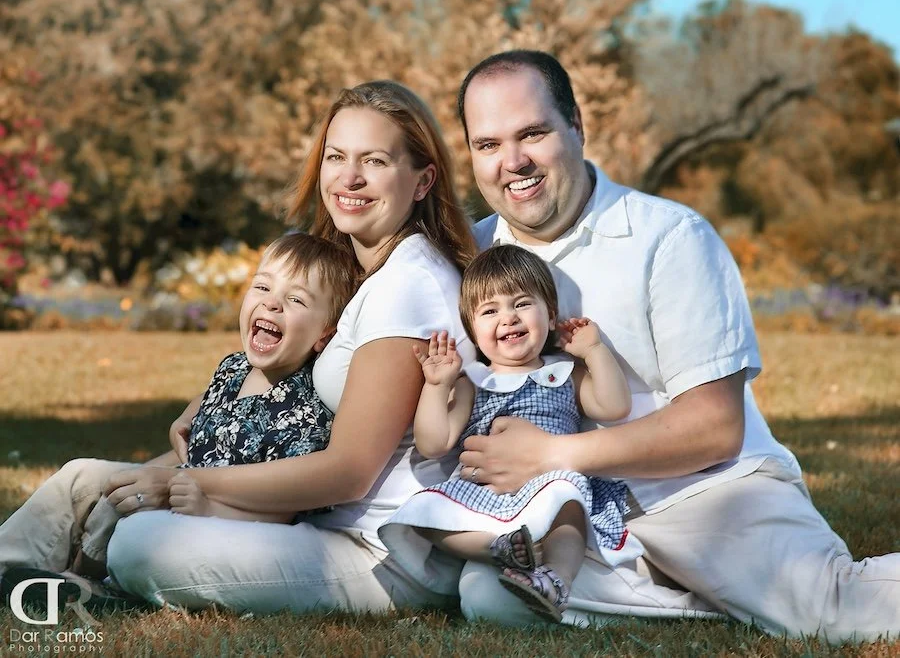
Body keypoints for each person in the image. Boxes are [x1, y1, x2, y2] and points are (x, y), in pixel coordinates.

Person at [453, 50, 900, 642]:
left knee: (836, 611)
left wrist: (552, 456)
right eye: (487, 145)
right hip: (576, 516)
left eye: (532, 133)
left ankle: (751, 584)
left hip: (707, 490)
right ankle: (723, 597)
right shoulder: (470, 255)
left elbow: (716, 429)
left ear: (576, 127)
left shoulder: (671, 237)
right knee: (488, 596)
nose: (513, 162)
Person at [101, 80, 480, 615]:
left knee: (140, 541)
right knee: (98, 483)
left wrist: (188, 483)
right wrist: (213, 410)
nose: (349, 178)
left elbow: (348, 471)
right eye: (336, 157)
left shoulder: (407, 288)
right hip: (315, 522)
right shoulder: (366, 271)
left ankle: (77, 570)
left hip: (380, 556)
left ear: (422, 181)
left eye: (373, 160)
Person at [0, 233, 356, 595]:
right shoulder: (234, 369)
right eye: (262, 287)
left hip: (208, 517)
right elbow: (207, 418)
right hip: (172, 485)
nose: (272, 304)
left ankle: (90, 580)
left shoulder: (303, 412)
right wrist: (179, 429)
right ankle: (6, 562)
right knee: (80, 476)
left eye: (296, 299)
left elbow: (282, 508)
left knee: (123, 512)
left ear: (324, 337)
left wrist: (209, 507)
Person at [380, 244, 640, 622]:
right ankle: (500, 549)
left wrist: (595, 351)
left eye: (521, 304)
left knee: (569, 511)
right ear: (473, 329)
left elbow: (615, 406)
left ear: (550, 316)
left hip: (549, 481)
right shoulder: (474, 381)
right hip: (483, 491)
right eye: (490, 311)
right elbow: (434, 443)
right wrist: (437, 386)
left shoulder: (565, 373)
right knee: (428, 516)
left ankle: (556, 580)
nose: (508, 318)